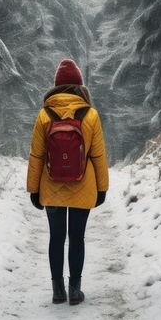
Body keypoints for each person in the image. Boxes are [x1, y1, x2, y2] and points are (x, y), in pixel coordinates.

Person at [26, 58, 109, 306]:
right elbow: (98, 155)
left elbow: (37, 154)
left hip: (52, 186)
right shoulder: (91, 114)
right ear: (80, 86)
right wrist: (102, 188)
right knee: (77, 238)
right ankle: (75, 291)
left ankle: (57, 291)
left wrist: (33, 190)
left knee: (56, 238)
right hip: (84, 186)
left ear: (56, 86)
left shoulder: (44, 114)